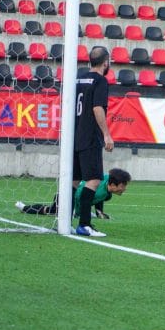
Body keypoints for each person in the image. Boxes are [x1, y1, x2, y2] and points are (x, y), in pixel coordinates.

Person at [72, 46, 115, 237]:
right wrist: (106, 134)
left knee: (74, 180)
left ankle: (65, 219)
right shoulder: (100, 81)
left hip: (74, 136)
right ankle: (84, 224)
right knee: (94, 179)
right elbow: (98, 108)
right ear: (106, 62)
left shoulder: (78, 77)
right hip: (89, 136)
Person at [15, 168, 131, 220]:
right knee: (51, 211)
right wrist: (73, 211)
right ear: (113, 185)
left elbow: (99, 197)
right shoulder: (100, 186)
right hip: (66, 196)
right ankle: (24, 207)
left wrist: (99, 212)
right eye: (122, 185)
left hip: (75, 199)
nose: (124, 189)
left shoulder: (107, 187)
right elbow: (79, 193)